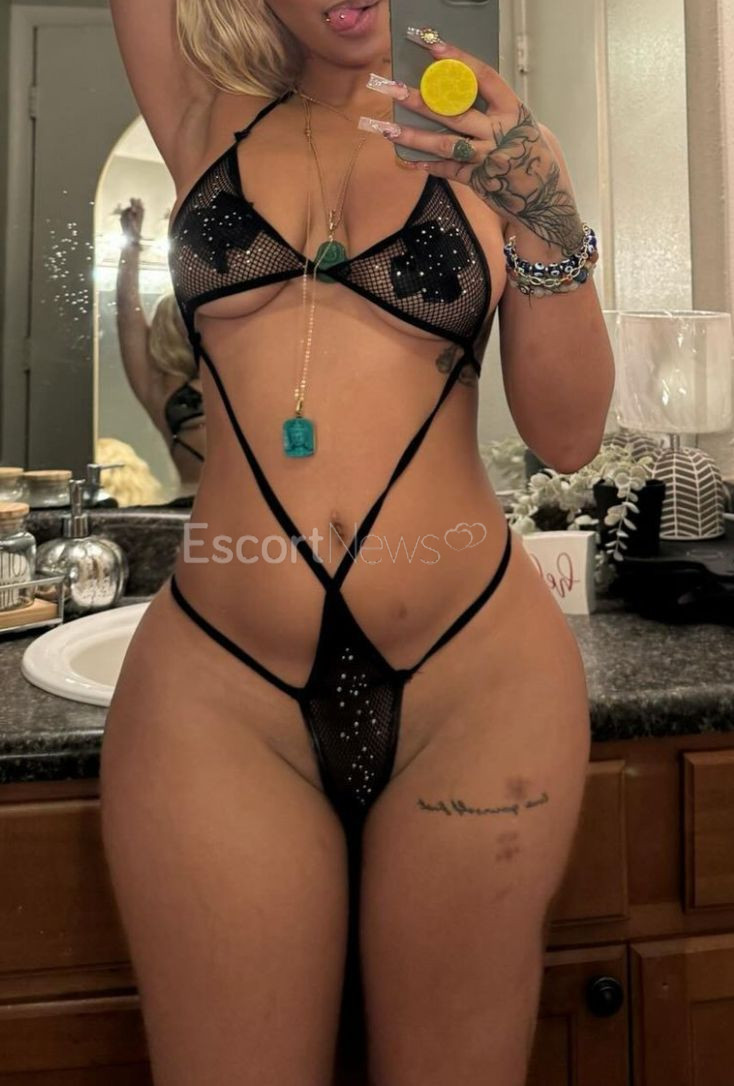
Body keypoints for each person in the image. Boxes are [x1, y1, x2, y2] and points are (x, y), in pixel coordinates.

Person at [100, 3, 615, 1085]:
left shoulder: (488, 147)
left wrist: (546, 214)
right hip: (221, 694)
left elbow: (568, 438)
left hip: (477, 683)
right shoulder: (200, 116)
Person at [116, 197, 206, 494]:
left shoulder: (235, 368)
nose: (193, 320)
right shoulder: (160, 385)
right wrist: (131, 246)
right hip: (189, 502)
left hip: (253, 503)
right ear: (171, 328)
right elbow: (128, 313)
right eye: (184, 315)